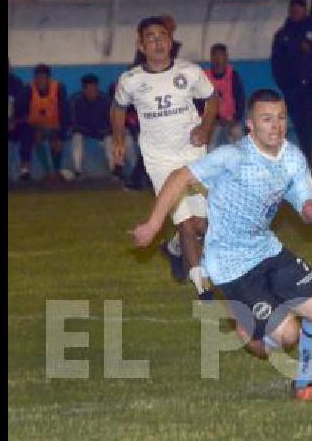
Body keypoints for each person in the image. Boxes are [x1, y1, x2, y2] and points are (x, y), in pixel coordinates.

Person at [130, 89, 312, 401]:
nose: (276, 125)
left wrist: (310, 207)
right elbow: (179, 177)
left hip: (268, 250)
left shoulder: (291, 156)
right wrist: (154, 224)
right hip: (231, 265)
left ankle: (305, 386)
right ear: (251, 124)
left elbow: (304, 190)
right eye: (267, 119)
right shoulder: (233, 157)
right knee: (288, 334)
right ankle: (250, 332)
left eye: (280, 118)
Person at [110, 16, 221, 298]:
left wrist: (205, 128)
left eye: (162, 36)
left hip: (192, 152)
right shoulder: (131, 80)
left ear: (170, 42)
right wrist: (120, 139)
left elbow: (213, 99)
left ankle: (173, 248)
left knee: (204, 224)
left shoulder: (190, 72)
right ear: (141, 45)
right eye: (150, 37)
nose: (157, 41)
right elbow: (117, 108)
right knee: (184, 221)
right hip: (159, 159)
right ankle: (202, 285)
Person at [271, 0, 312, 166]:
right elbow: (277, 63)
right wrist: (285, 85)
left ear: (305, 11)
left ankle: (307, 161)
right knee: (295, 124)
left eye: (300, 10)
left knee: (309, 125)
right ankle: (297, 161)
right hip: (292, 89)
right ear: (290, 11)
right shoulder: (283, 35)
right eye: (294, 11)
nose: (297, 14)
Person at [65, 74, 124, 179]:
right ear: (84, 89)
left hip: (102, 133)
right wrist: (84, 130)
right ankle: (77, 171)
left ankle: (114, 171)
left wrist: (105, 131)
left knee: (109, 140)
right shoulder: (76, 101)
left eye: (94, 88)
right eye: (89, 89)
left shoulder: (105, 100)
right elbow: (73, 122)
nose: (92, 92)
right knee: (76, 138)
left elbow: (112, 121)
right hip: (83, 132)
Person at [19, 64, 70, 181]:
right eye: (38, 78)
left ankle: (56, 171)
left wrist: (62, 136)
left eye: (44, 78)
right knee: (33, 136)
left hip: (54, 127)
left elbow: (65, 113)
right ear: (34, 78)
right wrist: (35, 125)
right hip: (36, 127)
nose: (41, 81)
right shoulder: (28, 90)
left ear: (49, 78)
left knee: (57, 141)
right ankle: (47, 171)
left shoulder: (59, 88)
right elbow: (20, 113)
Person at [203, 43, 246, 149]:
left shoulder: (233, 75)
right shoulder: (204, 77)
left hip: (232, 119)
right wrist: (214, 119)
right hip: (212, 120)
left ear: (226, 58)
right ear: (211, 58)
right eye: (215, 56)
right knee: (208, 144)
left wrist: (235, 119)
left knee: (240, 142)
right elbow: (200, 103)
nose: (218, 60)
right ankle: (209, 163)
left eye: (221, 56)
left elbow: (240, 100)